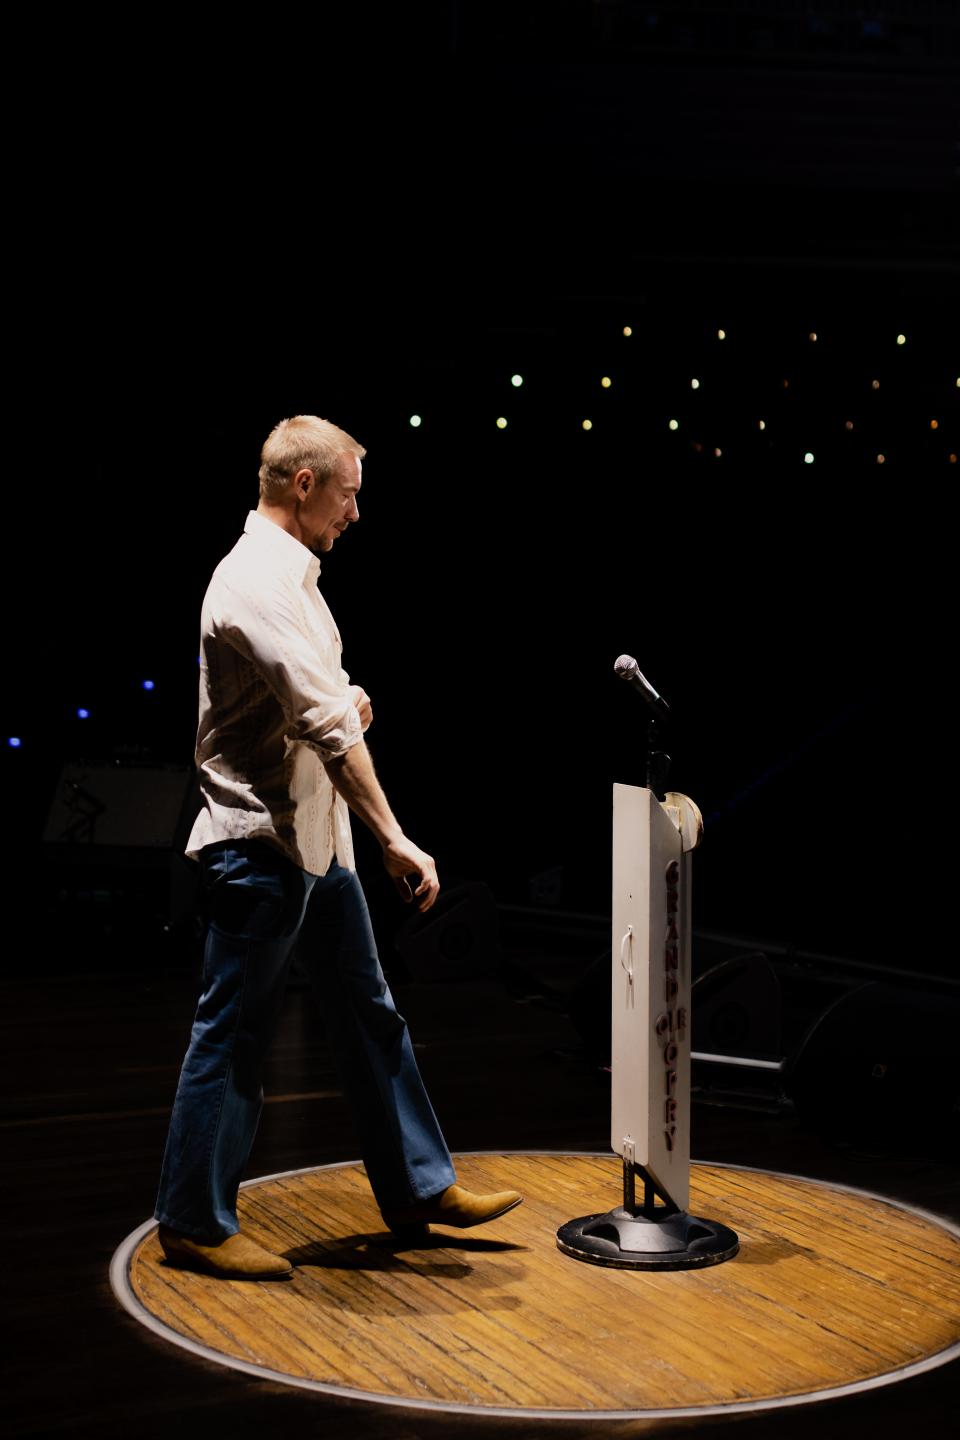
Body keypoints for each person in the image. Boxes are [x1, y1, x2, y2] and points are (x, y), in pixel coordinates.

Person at [153, 414, 521, 1279]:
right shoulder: (253, 580)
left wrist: (348, 701)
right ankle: (193, 1223)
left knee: (370, 1016)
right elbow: (317, 720)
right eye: (350, 494)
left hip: (317, 848)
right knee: (234, 1035)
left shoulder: (298, 580)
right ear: (305, 485)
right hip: (261, 847)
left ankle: (419, 1188)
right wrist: (393, 834)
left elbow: (313, 698)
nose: (357, 513)